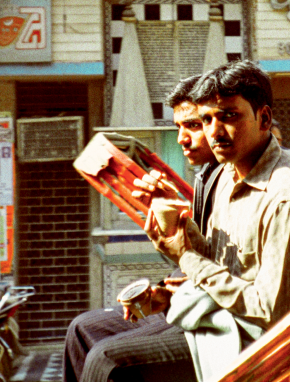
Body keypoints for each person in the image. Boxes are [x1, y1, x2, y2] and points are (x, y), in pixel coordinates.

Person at [146, 60, 290, 381]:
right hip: (220, 316)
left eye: (229, 116)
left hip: (259, 344)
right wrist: (178, 232)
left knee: (109, 361)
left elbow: (270, 312)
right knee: (87, 333)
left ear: (264, 118)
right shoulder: (225, 173)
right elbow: (217, 261)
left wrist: (187, 258)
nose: (215, 132)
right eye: (206, 119)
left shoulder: (287, 194)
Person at [63, 74, 221, 382]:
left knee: (105, 358)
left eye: (192, 125)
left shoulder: (262, 182)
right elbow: (201, 252)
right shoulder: (205, 177)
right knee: (82, 328)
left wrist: (183, 275)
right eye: (178, 127)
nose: (181, 139)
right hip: (194, 297)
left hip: (215, 317)